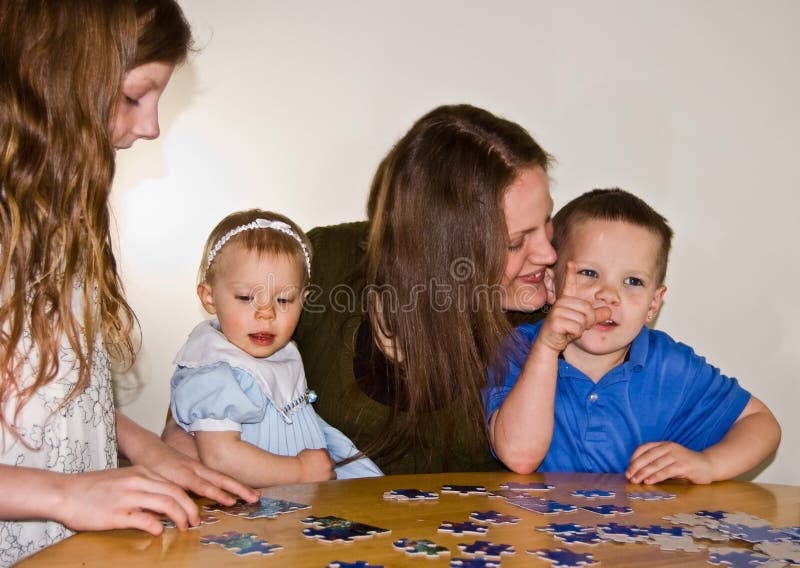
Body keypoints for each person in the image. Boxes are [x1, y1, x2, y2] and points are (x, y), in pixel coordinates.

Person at [163, 104, 558, 474]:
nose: (548, 252)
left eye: (548, 221)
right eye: (515, 242)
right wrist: (188, 459)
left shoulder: (546, 310)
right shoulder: (324, 266)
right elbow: (210, 372)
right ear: (439, 248)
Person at [0, 1, 258, 564]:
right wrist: (65, 494)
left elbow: (40, 397)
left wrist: (140, 444)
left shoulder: (57, 219)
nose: (151, 126)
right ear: (57, 76)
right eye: (133, 96)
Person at [483, 188, 781, 484]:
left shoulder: (669, 365)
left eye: (633, 281)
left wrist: (708, 464)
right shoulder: (518, 350)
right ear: (551, 281)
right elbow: (519, 455)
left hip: (638, 529)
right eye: (589, 273)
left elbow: (762, 424)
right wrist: (546, 349)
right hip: (535, 528)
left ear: (654, 303)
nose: (609, 295)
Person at [169, 209, 382, 485]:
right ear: (209, 297)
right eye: (246, 298)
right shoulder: (215, 370)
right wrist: (300, 471)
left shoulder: (280, 352)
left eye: (283, 300)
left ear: (303, 300)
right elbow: (220, 458)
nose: (266, 313)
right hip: (256, 500)